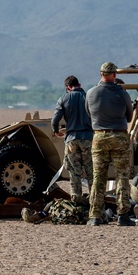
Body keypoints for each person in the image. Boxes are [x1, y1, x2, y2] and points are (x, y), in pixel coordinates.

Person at [85, 61, 135, 226]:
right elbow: (129, 117)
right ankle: (123, 215)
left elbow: (88, 115)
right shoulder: (122, 94)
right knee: (122, 177)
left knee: (98, 178)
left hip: (99, 137)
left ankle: (94, 216)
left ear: (100, 74)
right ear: (114, 75)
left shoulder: (91, 93)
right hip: (120, 137)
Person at [51, 75, 94, 204]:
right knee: (91, 170)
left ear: (67, 87)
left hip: (71, 139)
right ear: (79, 85)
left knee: (74, 172)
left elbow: (55, 120)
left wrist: (56, 131)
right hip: (88, 138)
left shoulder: (63, 99)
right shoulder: (89, 98)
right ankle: (95, 199)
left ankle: (76, 199)